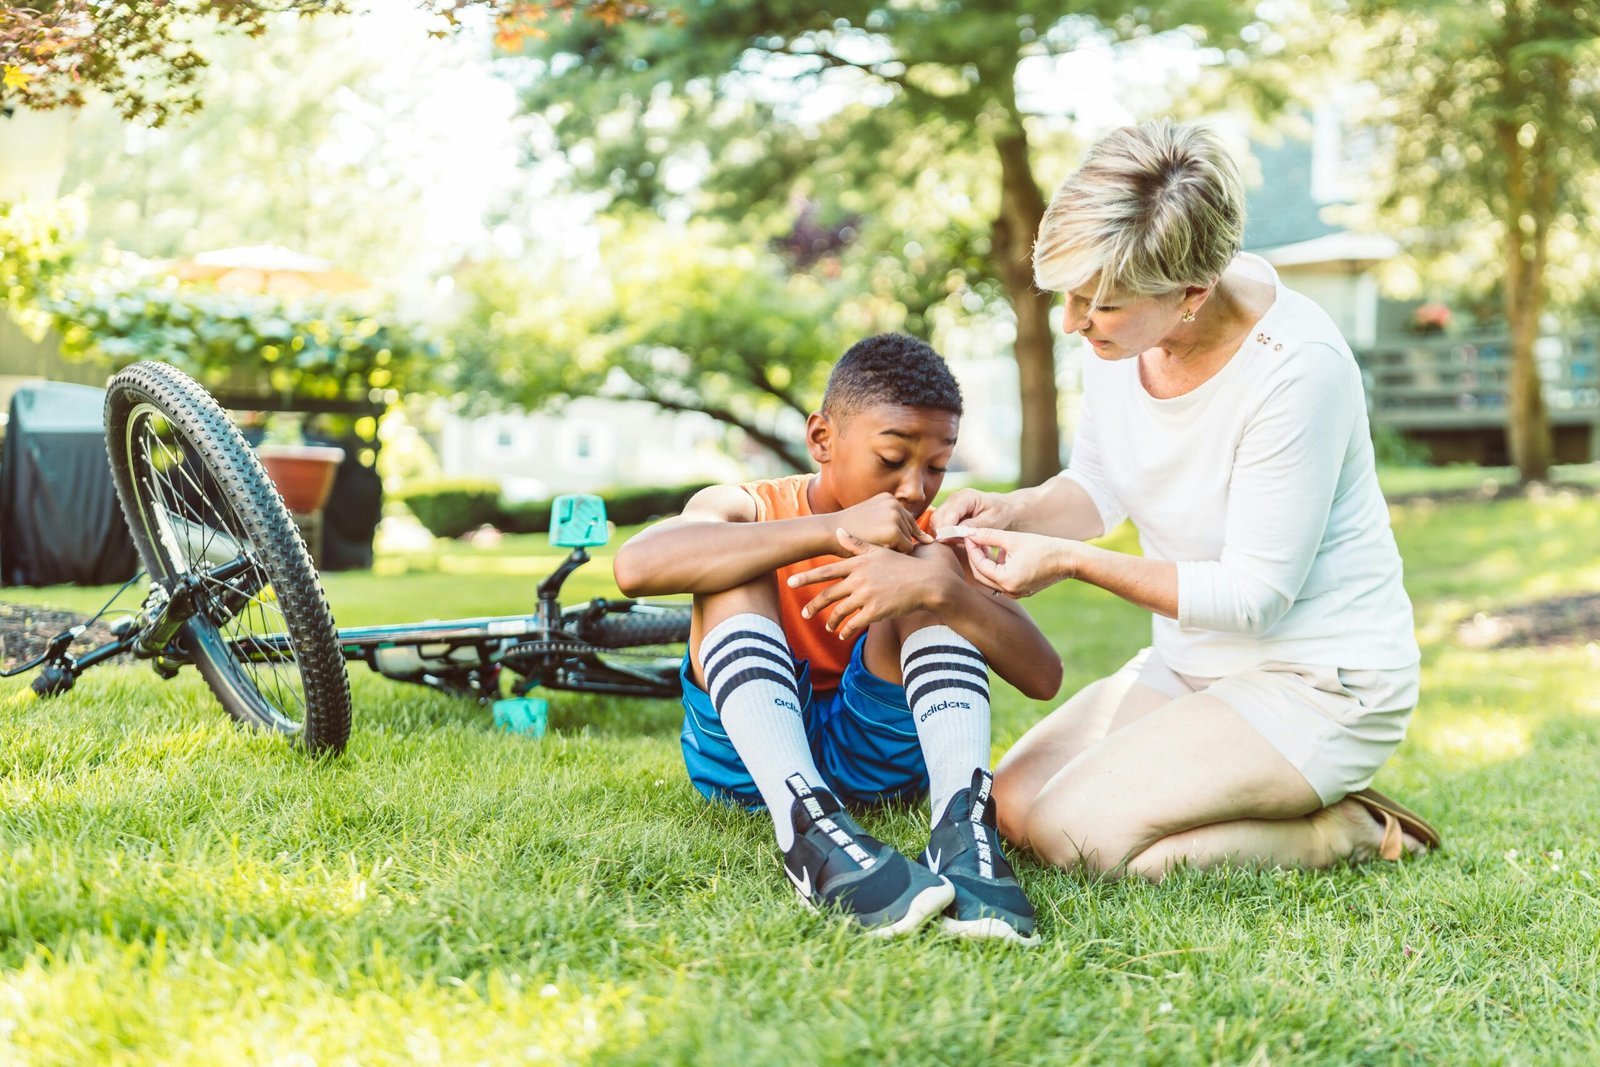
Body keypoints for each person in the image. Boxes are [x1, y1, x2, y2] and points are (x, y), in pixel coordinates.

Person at [931, 119, 1440, 882]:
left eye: (1096, 304)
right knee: (1012, 803)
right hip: (1191, 664)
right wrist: (1013, 510)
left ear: (1192, 295)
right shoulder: (1124, 335)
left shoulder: (1297, 371)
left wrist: (1069, 562)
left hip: (1318, 682)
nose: (1071, 322)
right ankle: (1233, 783)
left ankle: (1348, 828)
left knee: (1084, 838)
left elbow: (1253, 596)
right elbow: (1100, 486)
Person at [613, 334, 1063, 943]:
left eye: (936, 467)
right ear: (822, 439)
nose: (914, 488)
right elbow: (636, 568)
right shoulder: (746, 504)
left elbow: (1044, 677)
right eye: (892, 459)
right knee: (726, 569)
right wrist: (829, 529)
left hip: (874, 760)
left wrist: (946, 589)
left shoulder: (932, 534)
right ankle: (807, 828)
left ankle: (963, 834)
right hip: (751, 764)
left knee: (929, 579)